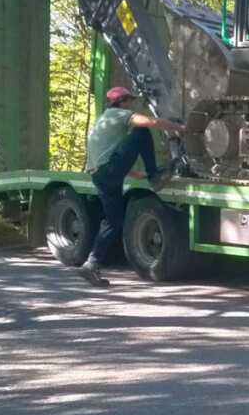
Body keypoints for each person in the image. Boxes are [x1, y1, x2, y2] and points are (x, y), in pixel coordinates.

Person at [77, 86, 184, 287]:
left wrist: (136, 174)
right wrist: (180, 129)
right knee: (142, 131)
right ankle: (154, 175)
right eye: (130, 101)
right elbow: (152, 122)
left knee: (113, 222)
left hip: (101, 177)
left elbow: (103, 158)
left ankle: (91, 264)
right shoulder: (119, 114)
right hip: (109, 173)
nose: (132, 105)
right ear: (123, 102)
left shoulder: (102, 120)